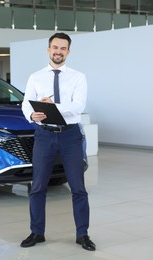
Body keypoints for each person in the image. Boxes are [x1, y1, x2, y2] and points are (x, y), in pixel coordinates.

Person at [20, 32, 96, 251]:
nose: (58, 51)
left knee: (78, 188)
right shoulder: (36, 77)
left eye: (63, 48)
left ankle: (83, 234)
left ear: (68, 52)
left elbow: (78, 106)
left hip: (70, 135)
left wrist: (50, 107)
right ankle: (37, 232)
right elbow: (27, 104)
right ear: (48, 49)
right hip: (44, 135)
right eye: (55, 47)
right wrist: (32, 115)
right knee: (37, 187)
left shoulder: (78, 77)